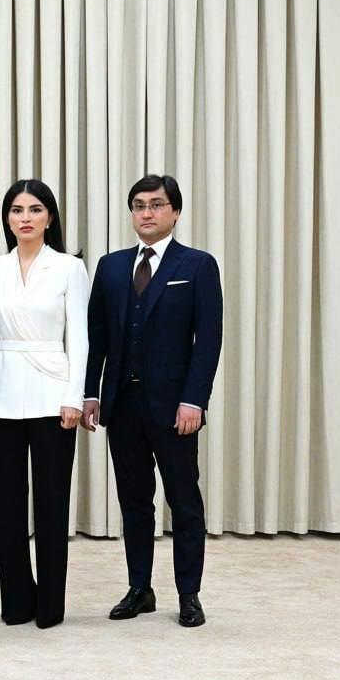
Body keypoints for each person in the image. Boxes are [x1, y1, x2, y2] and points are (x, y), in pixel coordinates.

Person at [80, 174, 223, 628]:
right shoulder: (111, 267)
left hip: (174, 408)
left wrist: (194, 400)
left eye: (157, 205)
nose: (147, 212)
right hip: (122, 404)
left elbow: (208, 341)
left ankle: (189, 594)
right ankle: (140, 587)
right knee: (134, 501)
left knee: (184, 500)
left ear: (175, 212)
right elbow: (97, 337)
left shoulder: (197, 265)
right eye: (139, 205)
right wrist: (90, 392)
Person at [0, 179, 89, 629]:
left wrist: (73, 396)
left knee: (52, 501)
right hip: (3, 393)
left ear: (49, 217)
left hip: (53, 394)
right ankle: (17, 602)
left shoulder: (69, 268)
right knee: (9, 503)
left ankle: (50, 606)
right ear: (7, 219)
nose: (26, 218)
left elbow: (79, 337)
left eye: (35, 209)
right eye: (17, 210)